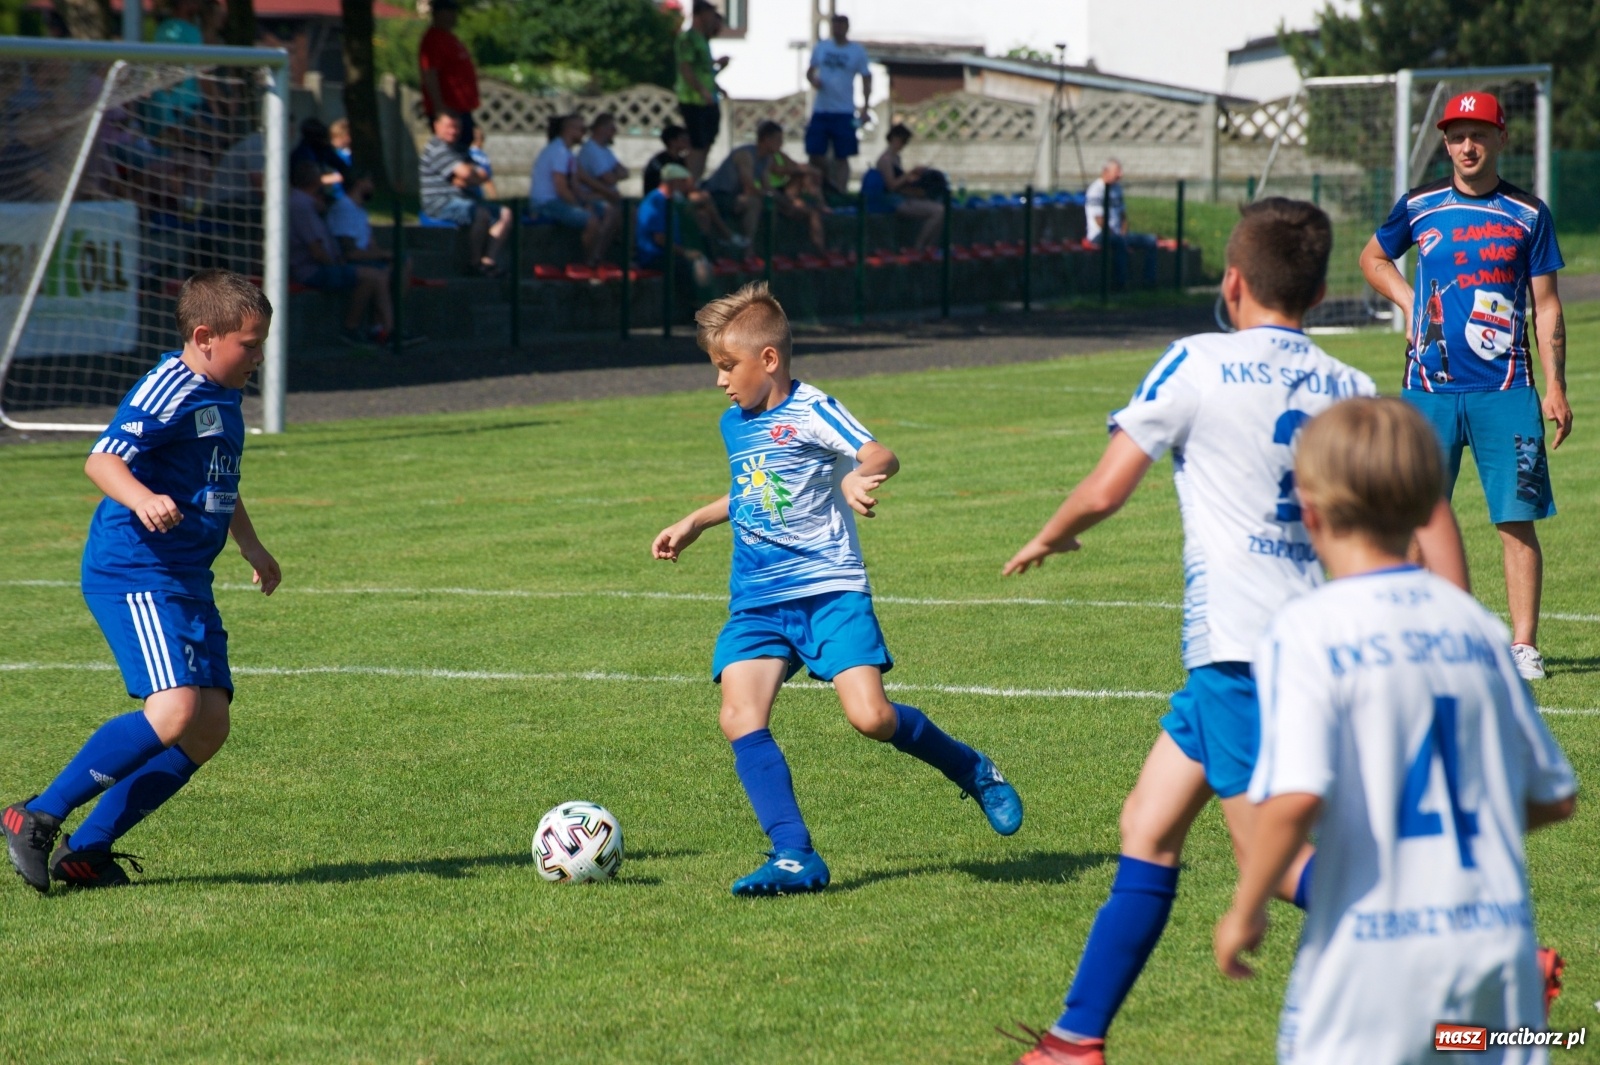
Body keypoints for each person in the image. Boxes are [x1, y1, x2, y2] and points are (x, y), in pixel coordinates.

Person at [1001, 199, 1399, 1065]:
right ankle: (1076, 1039)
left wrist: (1049, 531)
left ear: (1231, 281)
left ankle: (1475, 955)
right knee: (1147, 824)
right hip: (1307, 644)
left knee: (1273, 861)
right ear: (1323, 290)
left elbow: (1108, 487)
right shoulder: (1352, 384)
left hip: (1242, 652)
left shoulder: (1198, 360)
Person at [1215, 396, 1576, 1064]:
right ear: (1423, 508)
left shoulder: (1310, 629)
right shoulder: (1479, 630)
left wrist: (1246, 907)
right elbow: (1554, 796)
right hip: (1493, 949)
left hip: (1375, 964)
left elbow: (1293, 798)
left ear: (1311, 512)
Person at [651, 282, 1023, 897]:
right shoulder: (734, 423)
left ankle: (971, 769)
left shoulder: (814, 408)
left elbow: (881, 453)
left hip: (828, 590)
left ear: (767, 360)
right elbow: (753, 488)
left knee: (871, 717)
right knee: (739, 715)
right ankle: (794, 855)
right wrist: (695, 521)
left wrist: (858, 479)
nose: (719, 381)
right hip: (758, 598)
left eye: (726, 367)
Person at [1, 270, 281, 892]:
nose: (259, 357)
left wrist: (251, 544)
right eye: (250, 344)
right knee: (176, 709)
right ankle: (37, 816)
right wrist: (143, 496)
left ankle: (89, 850)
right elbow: (101, 459)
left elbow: (218, 481)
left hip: (185, 575)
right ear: (205, 337)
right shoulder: (169, 387)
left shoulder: (223, 390)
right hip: (135, 570)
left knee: (208, 727)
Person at [1358, 91, 1569, 682]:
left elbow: (1546, 307)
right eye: (1456, 136)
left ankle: (1523, 645)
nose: (1467, 146)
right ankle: (1419, 642)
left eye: (1478, 134)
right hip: (1427, 391)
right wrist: (1409, 303)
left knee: (1516, 517)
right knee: (1418, 516)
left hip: (1508, 391)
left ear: (1501, 139)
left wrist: (1556, 386)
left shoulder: (1529, 214)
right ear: (1446, 143)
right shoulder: (1419, 206)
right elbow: (1373, 259)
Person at [289, 159, 395, 345]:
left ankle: (384, 329)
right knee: (372, 276)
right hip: (311, 270)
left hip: (321, 264)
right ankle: (357, 329)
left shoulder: (309, 204)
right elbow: (317, 250)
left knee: (382, 272)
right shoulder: (301, 206)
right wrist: (338, 266)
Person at [703, 121, 824, 249]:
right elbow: (748, 186)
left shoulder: (767, 158)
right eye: (778, 139)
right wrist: (772, 197)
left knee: (783, 207)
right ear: (766, 139)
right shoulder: (746, 155)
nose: (781, 144)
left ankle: (775, 250)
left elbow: (767, 186)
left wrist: (786, 202)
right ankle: (748, 248)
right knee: (754, 202)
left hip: (736, 196)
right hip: (719, 195)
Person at [419, 110, 511, 276]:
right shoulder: (436, 147)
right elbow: (468, 175)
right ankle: (474, 264)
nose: (453, 131)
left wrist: (469, 176)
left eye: (456, 127)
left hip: (464, 199)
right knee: (480, 214)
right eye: (449, 127)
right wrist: (469, 176)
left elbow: (483, 173)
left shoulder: (459, 150)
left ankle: (488, 261)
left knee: (505, 214)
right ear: (436, 126)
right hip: (440, 203)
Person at [530, 113, 618, 268]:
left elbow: (576, 185)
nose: (585, 132)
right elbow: (561, 188)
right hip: (546, 203)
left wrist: (587, 200)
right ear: (570, 130)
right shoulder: (559, 151)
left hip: (560, 200)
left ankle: (597, 256)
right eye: (582, 129)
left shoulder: (568, 152)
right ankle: (589, 264)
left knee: (610, 210)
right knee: (591, 221)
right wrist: (581, 206)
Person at [805, 14, 871, 195]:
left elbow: (866, 78)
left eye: (841, 25)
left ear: (847, 27)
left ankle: (840, 191)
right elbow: (810, 71)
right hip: (821, 109)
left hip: (844, 111)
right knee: (815, 153)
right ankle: (821, 187)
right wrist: (814, 81)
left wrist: (865, 107)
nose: (838, 28)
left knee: (843, 155)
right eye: (835, 25)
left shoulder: (856, 51)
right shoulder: (822, 47)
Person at [674, 1, 729, 181]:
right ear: (701, 14)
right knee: (697, 143)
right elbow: (686, 68)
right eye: (711, 15)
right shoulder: (688, 38)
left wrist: (717, 85)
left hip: (707, 100)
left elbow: (704, 72)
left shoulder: (702, 40)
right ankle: (689, 181)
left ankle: (695, 180)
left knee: (706, 142)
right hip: (693, 100)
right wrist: (702, 91)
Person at [635, 163, 712, 286]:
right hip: (654, 256)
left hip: (669, 254)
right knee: (686, 267)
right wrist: (685, 253)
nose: (685, 185)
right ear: (672, 182)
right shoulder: (656, 200)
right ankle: (694, 304)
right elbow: (659, 238)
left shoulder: (672, 201)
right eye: (682, 181)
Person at [1085, 159, 1158, 288]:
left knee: (1151, 240)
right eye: (1117, 171)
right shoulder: (1096, 190)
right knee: (1119, 242)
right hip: (1099, 235)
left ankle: (1149, 282)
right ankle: (1120, 284)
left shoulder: (1117, 189)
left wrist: (1123, 232)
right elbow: (1098, 220)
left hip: (1118, 234)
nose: (1121, 175)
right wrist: (1118, 236)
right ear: (1106, 172)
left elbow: (1123, 216)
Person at [871, 123, 944, 250]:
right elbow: (891, 185)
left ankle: (928, 246)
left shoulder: (896, 158)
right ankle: (920, 246)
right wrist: (909, 173)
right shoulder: (885, 159)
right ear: (894, 138)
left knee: (938, 204)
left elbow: (900, 182)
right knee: (938, 211)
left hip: (901, 197)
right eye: (903, 141)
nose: (903, 145)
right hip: (892, 201)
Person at [418, 0, 478, 150]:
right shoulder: (433, 40)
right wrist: (440, 109)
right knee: (452, 155)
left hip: (461, 109)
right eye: (448, 11)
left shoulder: (450, 38)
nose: (453, 16)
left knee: (466, 145)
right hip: (449, 111)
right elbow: (430, 74)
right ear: (438, 14)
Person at [575, 112, 628, 209]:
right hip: (595, 199)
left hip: (608, 197)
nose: (615, 132)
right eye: (612, 129)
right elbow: (609, 179)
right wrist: (615, 175)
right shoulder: (591, 150)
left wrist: (613, 175)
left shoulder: (605, 150)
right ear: (600, 129)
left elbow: (625, 172)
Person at [643, 124, 691, 194]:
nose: (687, 141)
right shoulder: (658, 161)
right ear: (672, 141)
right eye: (683, 138)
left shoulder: (681, 161)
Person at [468, 124, 497, 200]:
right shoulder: (482, 157)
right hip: (475, 195)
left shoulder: (459, 152)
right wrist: (494, 199)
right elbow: (488, 181)